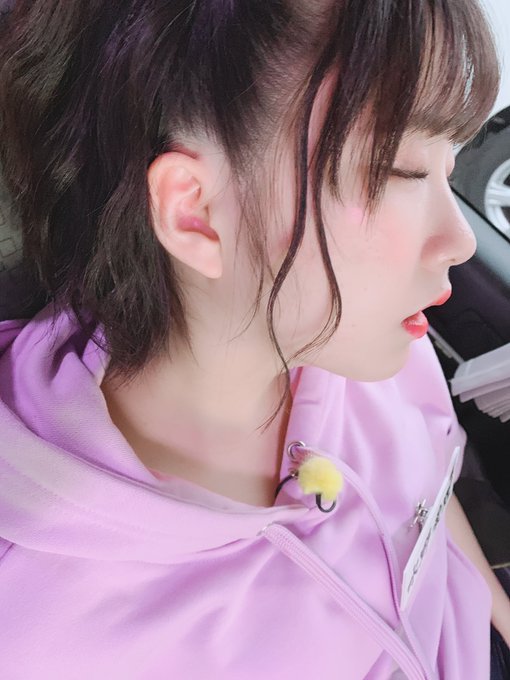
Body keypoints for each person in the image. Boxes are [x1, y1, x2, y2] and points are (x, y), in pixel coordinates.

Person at [0, 1, 508, 678]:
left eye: (451, 166)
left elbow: (430, 504)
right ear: (197, 213)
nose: (460, 241)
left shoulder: (371, 343)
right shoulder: (43, 634)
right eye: (403, 172)